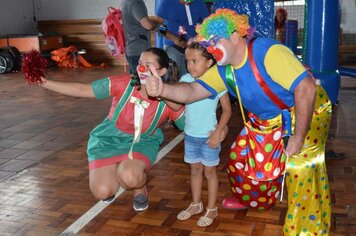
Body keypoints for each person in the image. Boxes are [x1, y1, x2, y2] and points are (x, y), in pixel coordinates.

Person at [145, 9, 332, 235]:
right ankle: (254, 199)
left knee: (300, 168)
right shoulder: (224, 70)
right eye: (208, 43)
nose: (211, 48)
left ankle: (306, 229)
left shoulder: (268, 52)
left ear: (235, 36)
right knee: (239, 157)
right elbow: (193, 91)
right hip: (266, 118)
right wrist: (163, 89)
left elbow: (306, 88)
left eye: (215, 41)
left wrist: (299, 136)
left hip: (306, 111)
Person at [39, 47, 185, 212]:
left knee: (130, 177)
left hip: (142, 142)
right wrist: (45, 83)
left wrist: (164, 93)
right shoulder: (125, 83)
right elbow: (83, 89)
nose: (141, 68)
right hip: (108, 138)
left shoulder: (169, 98)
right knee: (103, 192)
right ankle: (116, 168)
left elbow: (185, 125)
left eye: (148, 65)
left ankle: (138, 186)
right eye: (139, 63)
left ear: (163, 70)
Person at [176, 42, 231, 227]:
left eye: (195, 61)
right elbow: (176, 105)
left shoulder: (216, 82)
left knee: (210, 172)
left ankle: (211, 208)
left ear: (209, 63)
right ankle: (196, 204)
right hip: (190, 136)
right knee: (195, 171)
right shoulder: (185, 79)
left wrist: (218, 132)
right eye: (187, 61)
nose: (190, 65)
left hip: (209, 137)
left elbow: (227, 110)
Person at [121, 0, 185, 75]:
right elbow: (149, 25)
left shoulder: (129, 2)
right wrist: (172, 37)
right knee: (141, 81)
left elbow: (148, 23)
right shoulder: (134, 3)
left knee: (140, 80)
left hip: (134, 50)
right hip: (138, 52)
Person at [156, 0, 210, 78]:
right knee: (172, 76)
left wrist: (196, 38)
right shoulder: (167, 2)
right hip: (172, 46)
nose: (188, 2)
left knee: (192, 77)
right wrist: (174, 38)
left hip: (194, 47)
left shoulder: (199, 2)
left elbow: (207, 23)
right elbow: (157, 24)